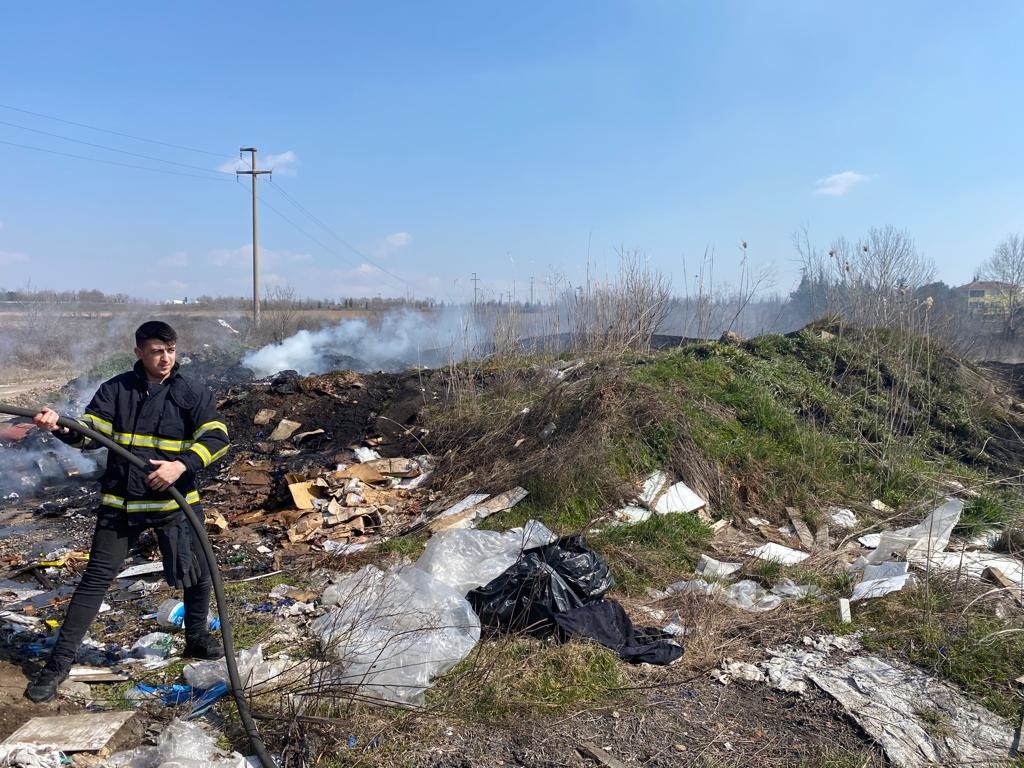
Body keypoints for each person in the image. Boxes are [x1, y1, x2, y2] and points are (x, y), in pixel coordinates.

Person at [26, 320, 230, 703]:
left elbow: (217, 438)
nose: (165, 357)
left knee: (199, 574)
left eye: (170, 349)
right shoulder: (116, 390)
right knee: (94, 582)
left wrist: (181, 465)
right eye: (156, 350)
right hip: (120, 504)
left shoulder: (192, 392)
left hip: (175, 502)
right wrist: (59, 427)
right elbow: (89, 435)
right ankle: (57, 667)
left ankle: (197, 640)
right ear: (139, 352)